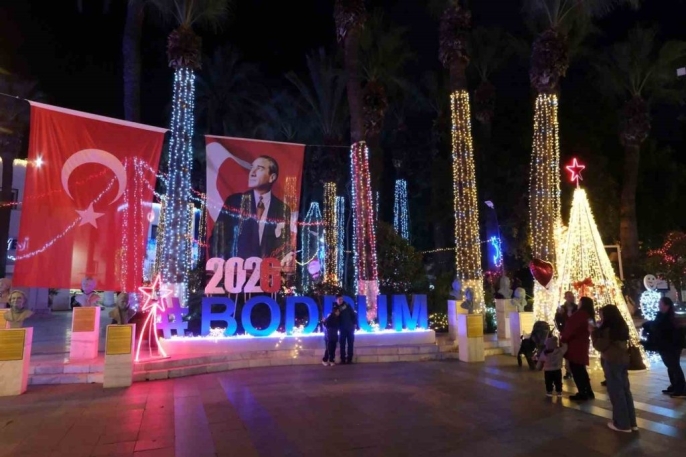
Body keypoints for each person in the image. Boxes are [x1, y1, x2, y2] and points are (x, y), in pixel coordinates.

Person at [209, 156, 292, 262]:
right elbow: (217, 239)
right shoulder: (235, 202)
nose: (252, 172)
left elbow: (284, 246)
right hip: (236, 269)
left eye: (259, 168)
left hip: (267, 270)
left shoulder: (282, 209)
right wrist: (223, 265)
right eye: (252, 167)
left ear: (272, 177)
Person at [591, 305, 638, 432]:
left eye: (602, 315)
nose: (600, 317)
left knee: (616, 392)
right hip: (624, 359)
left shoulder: (608, 330)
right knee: (625, 390)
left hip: (612, 360)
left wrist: (593, 332)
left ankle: (622, 424)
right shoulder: (622, 326)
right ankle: (632, 422)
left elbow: (599, 345)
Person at [646, 297, 686, 398]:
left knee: (674, 366)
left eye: (661, 303)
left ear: (666, 305)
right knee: (670, 366)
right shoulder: (661, 315)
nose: (659, 305)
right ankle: (674, 385)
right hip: (664, 345)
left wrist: (651, 326)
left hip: (672, 346)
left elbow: (665, 329)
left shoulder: (671, 317)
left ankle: (681, 389)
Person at [561, 296, 595, 401]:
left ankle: (582, 392)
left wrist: (563, 339)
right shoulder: (589, 315)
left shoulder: (579, 315)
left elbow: (570, 329)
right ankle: (588, 391)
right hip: (583, 344)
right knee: (581, 369)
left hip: (575, 345)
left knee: (576, 369)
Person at [555, 291, 577, 379]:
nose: (571, 298)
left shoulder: (577, 308)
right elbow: (557, 320)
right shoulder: (562, 308)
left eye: (572, 296)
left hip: (575, 334)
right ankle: (568, 371)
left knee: (574, 352)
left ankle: (575, 370)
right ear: (565, 298)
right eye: (569, 296)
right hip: (565, 333)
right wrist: (559, 315)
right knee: (566, 352)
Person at [337, 294, 357, 364]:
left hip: (350, 328)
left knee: (350, 344)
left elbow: (353, 315)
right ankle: (343, 359)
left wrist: (354, 324)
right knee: (342, 344)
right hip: (342, 329)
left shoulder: (348, 306)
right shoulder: (336, 308)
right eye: (339, 299)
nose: (340, 301)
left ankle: (349, 359)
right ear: (336, 300)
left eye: (341, 299)